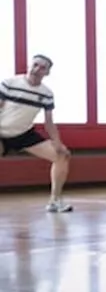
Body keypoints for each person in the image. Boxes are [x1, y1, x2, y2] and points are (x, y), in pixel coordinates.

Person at [0, 55, 73, 212]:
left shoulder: (46, 94)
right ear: (29, 65)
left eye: (42, 67)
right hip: (2, 132)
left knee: (62, 155)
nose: (37, 69)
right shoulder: (9, 84)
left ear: (47, 73)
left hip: (24, 134)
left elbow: (49, 123)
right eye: (35, 65)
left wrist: (58, 143)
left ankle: (55, 201)